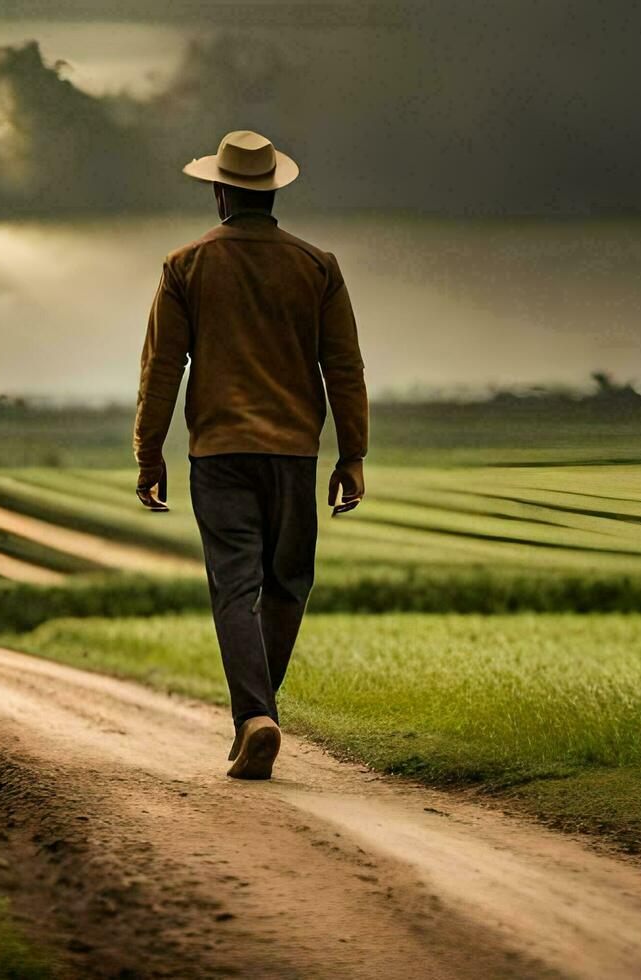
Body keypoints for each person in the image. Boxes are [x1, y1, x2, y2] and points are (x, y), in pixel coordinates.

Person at [132, 129, 369, 780]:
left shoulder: (185, 266)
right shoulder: (318, 266)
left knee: (235, 587)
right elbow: (342, 367)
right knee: (288, 584)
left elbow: (162, 369)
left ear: (219, 194)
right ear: (270, 193)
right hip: (294, 453)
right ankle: (259, 715)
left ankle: (254, 718)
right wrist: (353, 455)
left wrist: (148, 455)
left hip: (219, 454)